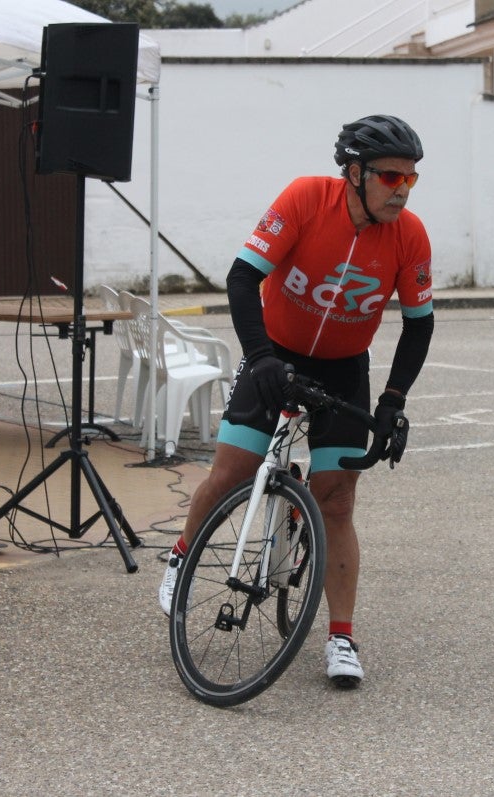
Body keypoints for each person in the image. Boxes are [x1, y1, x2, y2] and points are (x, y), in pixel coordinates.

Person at [158, 114, 435, 688]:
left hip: (343, 368)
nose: (402, 189)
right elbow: (241, 278)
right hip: (275, 352)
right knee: (233, 471)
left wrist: (392, 399)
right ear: (354, 174)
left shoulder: (410, 235)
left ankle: (340, 636)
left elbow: (418, 325)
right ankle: (184, 556)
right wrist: (259, 355)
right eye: (390, 177)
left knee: (336, 502)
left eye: (411, 179)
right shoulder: (307, 199)